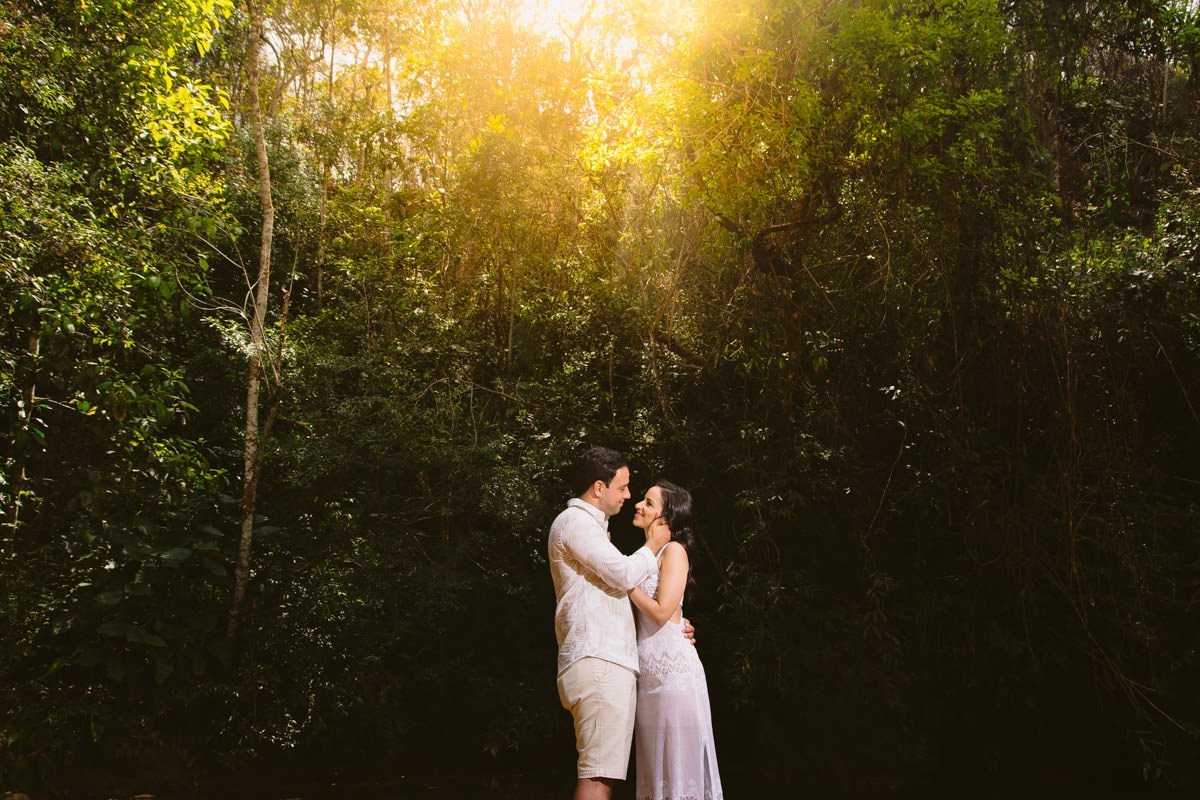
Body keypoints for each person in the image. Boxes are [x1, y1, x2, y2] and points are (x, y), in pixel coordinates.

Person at [549, 447, 678, 800]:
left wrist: (677, 626)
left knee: (602, 774)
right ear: (598, 487)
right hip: (599, 659)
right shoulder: (575, 523)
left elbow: (621, 591)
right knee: (598, 777)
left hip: (604, 660)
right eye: (622, 487)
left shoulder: (593, 530)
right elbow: (623, 575)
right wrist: (652, 545)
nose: (628, 496)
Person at [628, 480, 723, 800]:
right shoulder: (641, 557)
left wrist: (624, 584)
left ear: (667, 518)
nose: (639, 505)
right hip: (647, 676)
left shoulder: (675, 551)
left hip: (673, 676)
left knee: (679, 775)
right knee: (655, 775)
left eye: (649, 503)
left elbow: (661, 611)